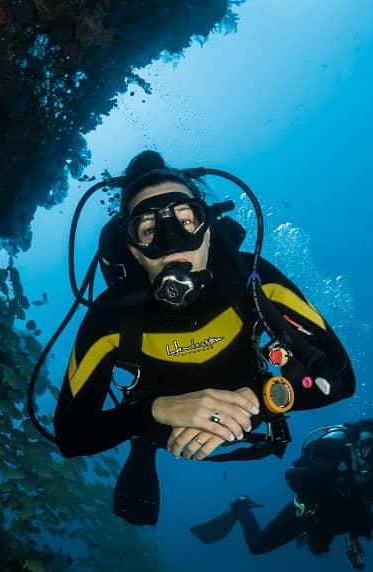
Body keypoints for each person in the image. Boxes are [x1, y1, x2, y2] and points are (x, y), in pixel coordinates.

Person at [51, 150, 356, 524]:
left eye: (186, 220)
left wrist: (260, 400)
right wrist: (154, 411)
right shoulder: (111, 318)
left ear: (208, 227)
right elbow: (71, 436)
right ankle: (143, 444)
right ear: (132, 248)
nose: (171, 242)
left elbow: (340, 378)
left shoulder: (255, 280)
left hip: (253, 403)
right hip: (159, 425)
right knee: (142, 432)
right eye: (148, 230)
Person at [191, 418, 373, 570]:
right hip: (308, 512)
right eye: (369, 449)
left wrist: (368, 523)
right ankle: (241, 507)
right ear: (353, 448)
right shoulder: (330, 466)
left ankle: (318, 537)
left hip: (337, 517)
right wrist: (318, 487)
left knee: (319, 550)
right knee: (257, 547)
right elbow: (290, 475)